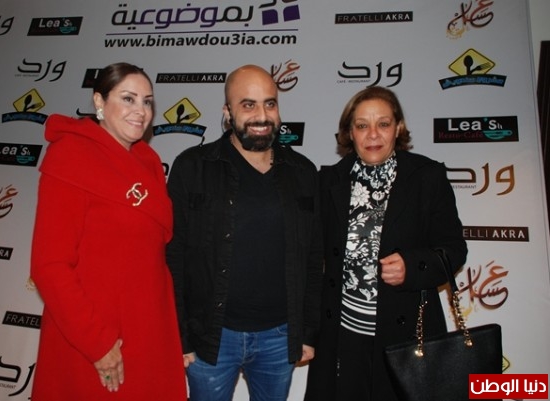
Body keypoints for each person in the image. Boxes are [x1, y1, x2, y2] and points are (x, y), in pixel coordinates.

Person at [29, 62, 187, 401]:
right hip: (96, 335)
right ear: (99, 101)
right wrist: (97, 343)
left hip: (149, 333)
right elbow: (50, 266)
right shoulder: (70, 155)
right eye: (128, 98)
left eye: (147, 101)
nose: (141, 111)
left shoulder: (149, 162)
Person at [166, 64, 323, 401]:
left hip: (279, 337)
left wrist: (307, 332)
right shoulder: (192, 167)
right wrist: (180, 335)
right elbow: (173, 257)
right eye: (248, 105)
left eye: (270, 103)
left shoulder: (303, 173)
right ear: (227, 112)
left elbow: (313, 259)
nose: (261, 116)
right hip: (210, 336)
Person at [304, 86, 468, 401]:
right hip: (343, 337)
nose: (373, 134)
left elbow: (454, 249)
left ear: (398, 127)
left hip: (405, 338)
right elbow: (311, 259)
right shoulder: (329, 181)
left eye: (383, 123)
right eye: (362, 125)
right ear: (349, 133)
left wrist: (413, 266)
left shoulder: (427, 177)